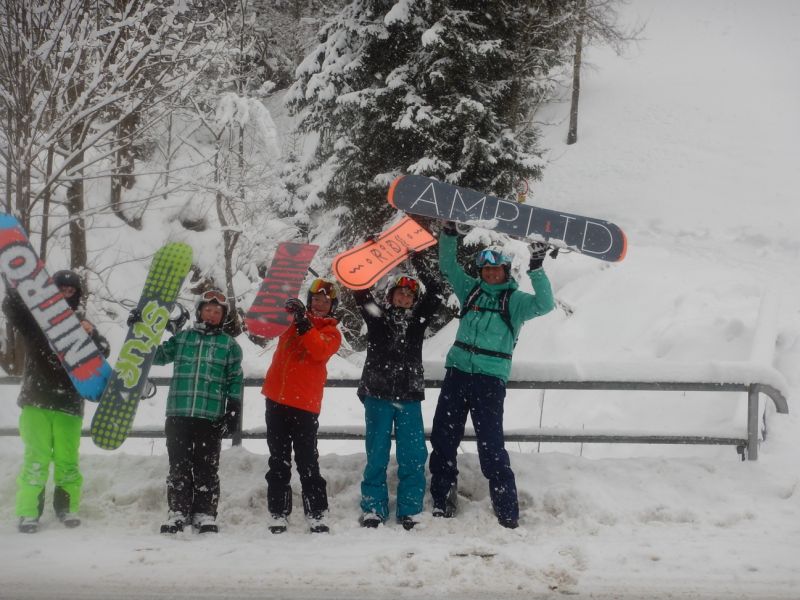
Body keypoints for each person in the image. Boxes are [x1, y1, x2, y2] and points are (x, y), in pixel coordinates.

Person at [429, 223, 555, 529]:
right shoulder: (470, 289)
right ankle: (443, 498)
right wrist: (448, 234)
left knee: (490, 446)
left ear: (506, 271)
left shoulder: (514, 301)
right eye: (485, 269)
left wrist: (537, 266)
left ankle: (506, 508)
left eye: (496, 270)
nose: (490, 274)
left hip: (489, 381)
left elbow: (545, 304)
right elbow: (448, 265)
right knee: (444, 438)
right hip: (457, 374)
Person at [3, 269, 110, 533]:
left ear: (77, 295)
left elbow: (103, 352)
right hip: (36, 401)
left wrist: (92, 334)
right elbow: (12, 309)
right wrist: (15, 283)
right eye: (60, 289)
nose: (65, 295)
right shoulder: (37, 320)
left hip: (69, 404)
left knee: (67, 460)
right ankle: (29, 512)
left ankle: (66, 508)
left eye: (70, 291)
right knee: (36, 459)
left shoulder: (82, 323)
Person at [354, 250, 442, 530]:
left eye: (409, 296)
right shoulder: (377, 318)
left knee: (413, 455)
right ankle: (373, 508)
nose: (404, 299)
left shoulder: (417, 323)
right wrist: (377, 255)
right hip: (377, 394)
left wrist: (415, 257)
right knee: (377, 454)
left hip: (409, 396)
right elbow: (359, 289)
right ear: (390, 296)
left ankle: (410, 509)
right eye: (399, 294)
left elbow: (437, 293)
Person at [149, 289, 243, 534]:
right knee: (178, 466)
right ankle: (178, 511)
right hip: (179, 413)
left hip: (210, 417)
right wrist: (141, 332)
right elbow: (157, 357)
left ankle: (204, 513)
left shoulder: (228, 345)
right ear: (199, 311)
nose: (211, 315)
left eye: (217, 312)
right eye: (207, 310)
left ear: (223, 317)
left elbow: (235, 378)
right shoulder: (183, 339)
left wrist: (233, 409)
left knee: (206, 468)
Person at [259, 278, 342, 534]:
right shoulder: (291, 320)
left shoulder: (332, 332)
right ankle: (278, 512)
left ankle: (316, 512)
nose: (320, 304)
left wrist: (304, 323)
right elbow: (266, 325)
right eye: (316, 299)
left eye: (325, 301)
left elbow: (317, 350)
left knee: (307, 461)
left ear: (332, 306)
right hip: (276, 398)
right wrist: (286, 308)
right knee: (278, 460)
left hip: (305, 404)